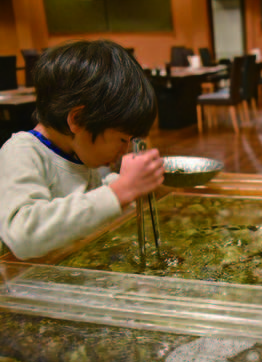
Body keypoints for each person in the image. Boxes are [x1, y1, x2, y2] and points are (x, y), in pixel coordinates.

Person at [0, 40, 164, 260]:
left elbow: (85, 207)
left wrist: (128, 188)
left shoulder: (79, 152)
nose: (124, 150)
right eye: (122, 139)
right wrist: (119, 191)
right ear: (78, 119)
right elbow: (23, 236)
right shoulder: (22, 152)